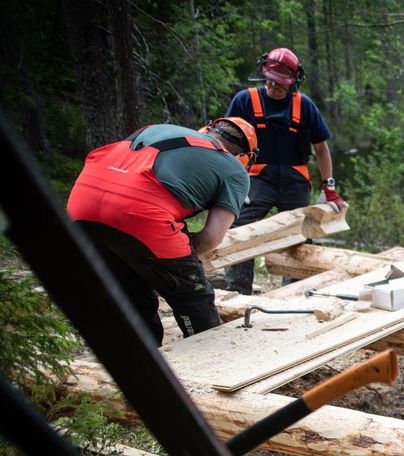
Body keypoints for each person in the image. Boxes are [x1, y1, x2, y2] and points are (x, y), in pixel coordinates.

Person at [67, 118, 256, 346]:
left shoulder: (156, 129)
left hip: (81, 206)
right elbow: (210, 238)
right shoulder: (235, 170)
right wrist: (180, 266)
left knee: (132, 295)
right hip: (140, 213)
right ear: (245, 156)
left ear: (206, 130)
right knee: (193, 300)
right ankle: (210, 366)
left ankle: (141, 368)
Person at [223, 47, 342, 295]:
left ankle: (294, 291)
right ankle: (238, 291)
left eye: (278, 83)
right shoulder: (245, 100)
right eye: (268, 80)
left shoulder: (305, 106)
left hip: (295, 179)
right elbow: (225, 144)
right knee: (240, 226)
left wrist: (329, 187)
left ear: (292, 83)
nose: (271, 86)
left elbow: (321, 149)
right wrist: (225, 181)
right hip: (257, 177)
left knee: (299, 232)